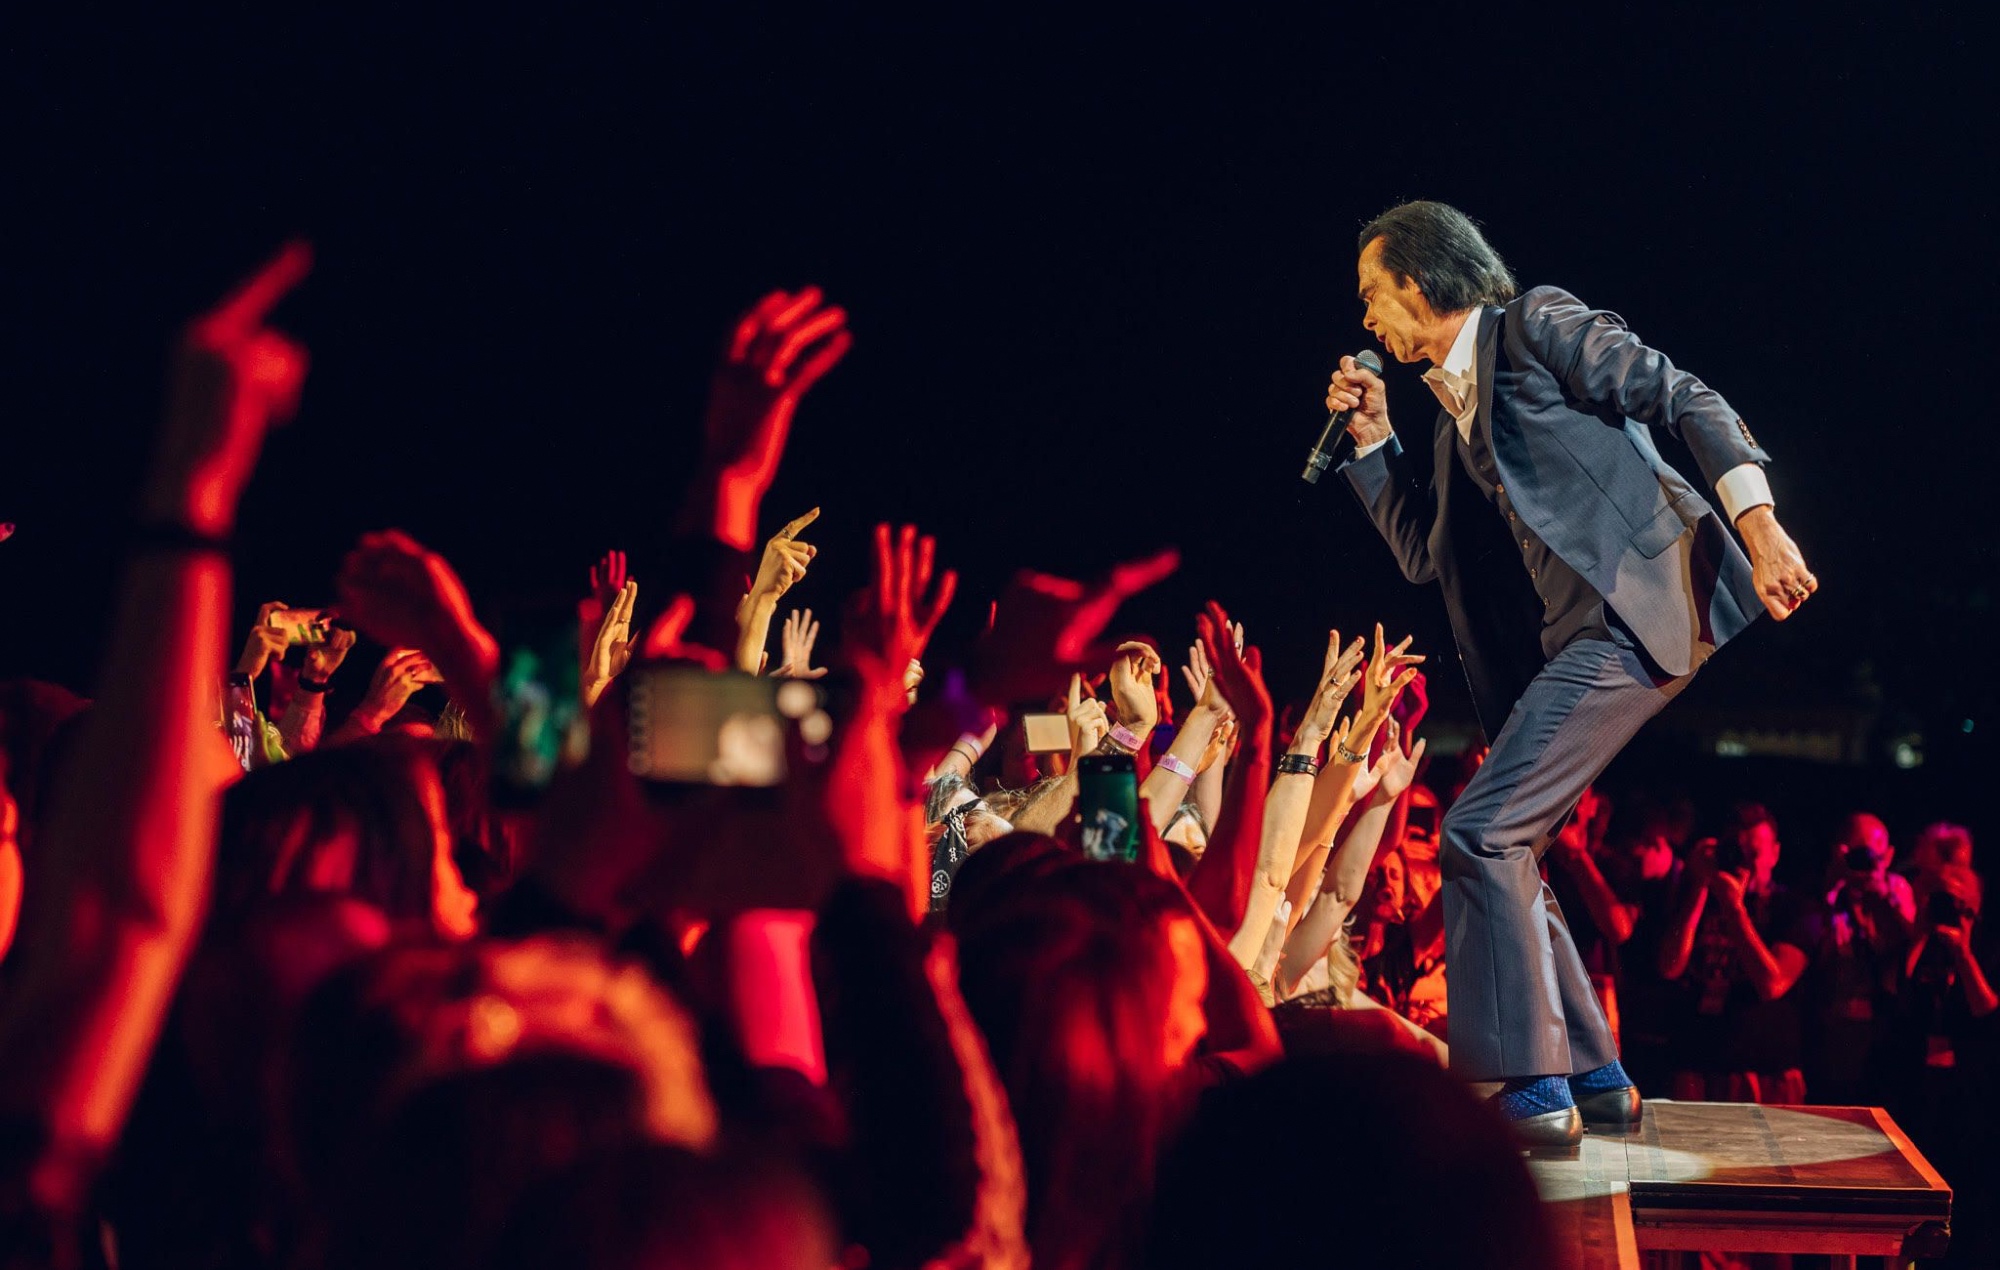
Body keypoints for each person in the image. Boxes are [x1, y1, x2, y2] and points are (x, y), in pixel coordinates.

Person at [1324, 200, 1818, 1146]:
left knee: (1477, 831)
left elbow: (1685, 396)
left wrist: (1759, 527)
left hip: (1645, 609)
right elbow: (1427, 559)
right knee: (1512, 844)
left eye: (1372, 295)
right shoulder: (1449, 418)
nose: (1367, 321)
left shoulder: (1537, 322)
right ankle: (1593, 1075)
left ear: (1422, 286)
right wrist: (1373, 441)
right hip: (1583, 638)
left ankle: (1529, 1085)